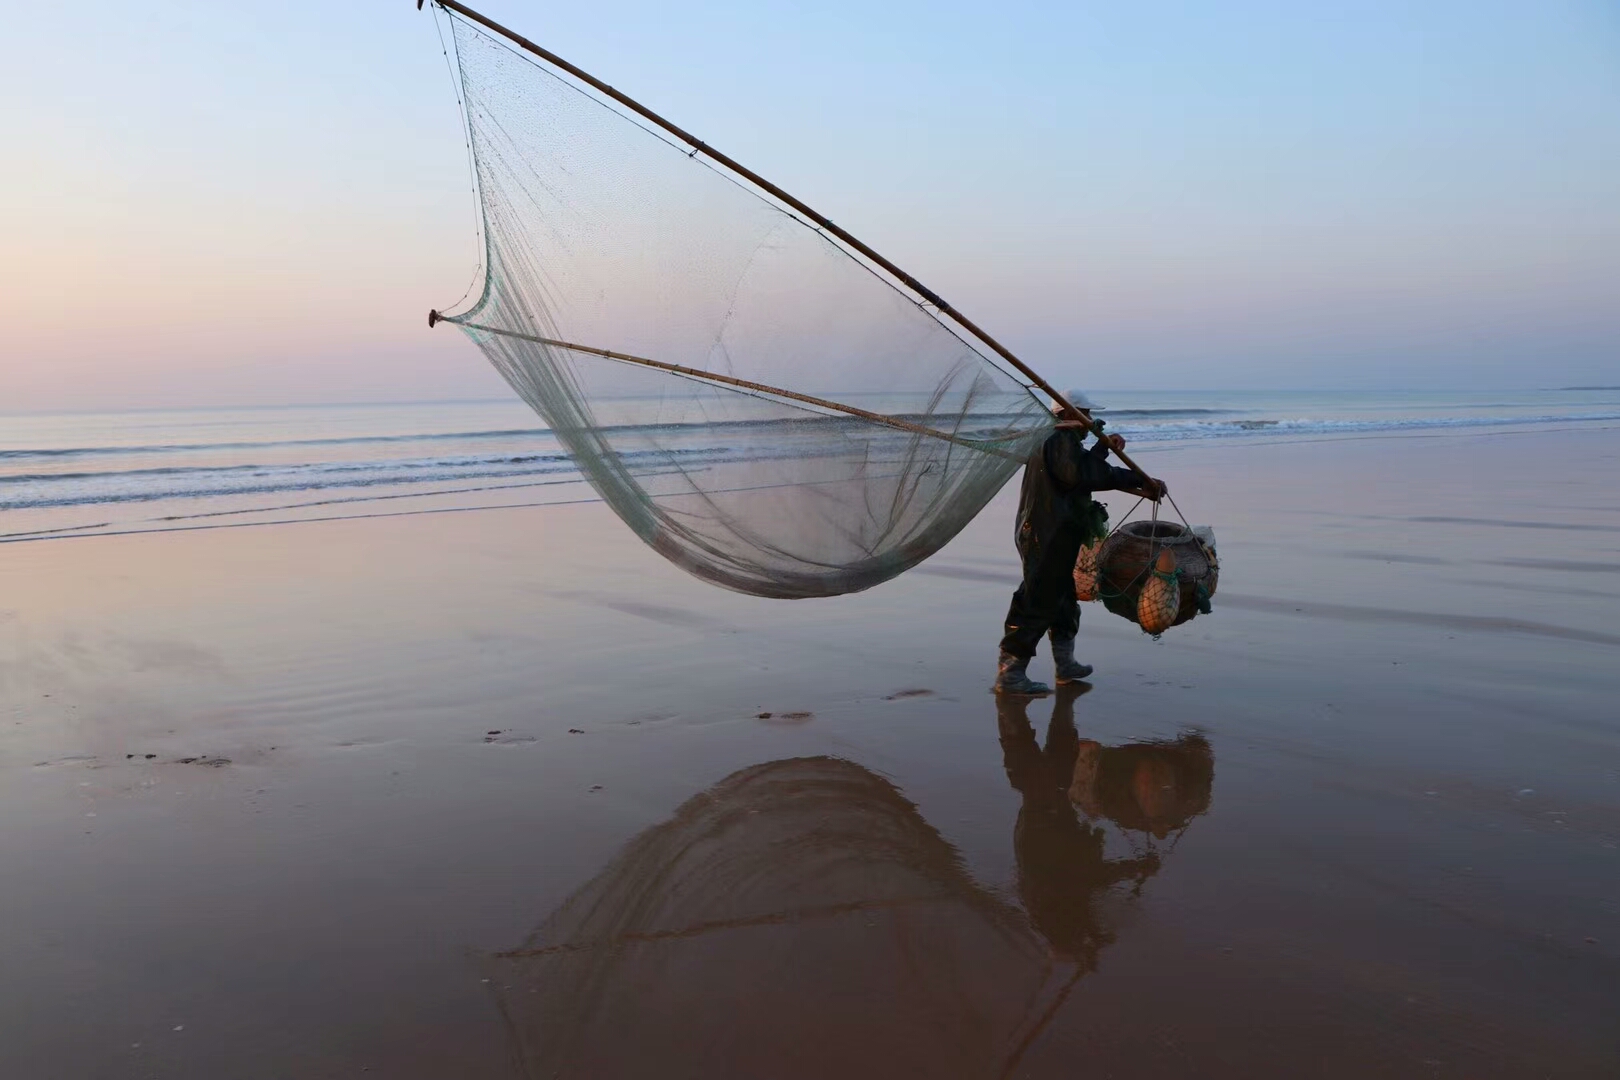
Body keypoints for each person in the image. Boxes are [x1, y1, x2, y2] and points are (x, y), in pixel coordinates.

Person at [995, 398, 1167, 695]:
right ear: (1070, 413)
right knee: (1038, 600)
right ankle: (1010, 673)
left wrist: (1102, 450)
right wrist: (1140, 478)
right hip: (1046, 534)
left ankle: (1065, 665)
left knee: (1062, 598)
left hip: (1053, 532)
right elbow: (1082, 476)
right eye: (1086, 415)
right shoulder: (1059, 438)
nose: (1090, 422)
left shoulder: (1058, 440)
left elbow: (1078, 469)